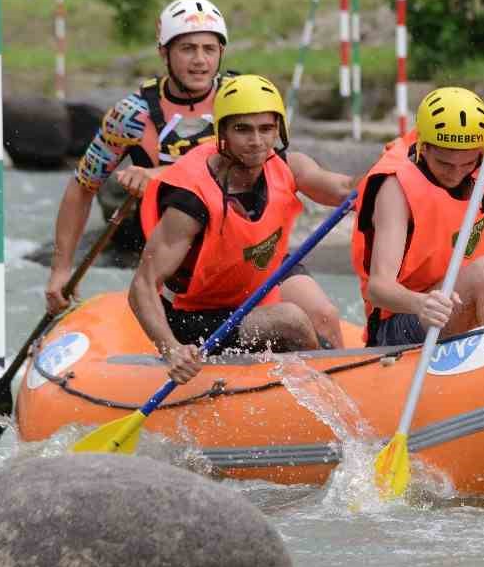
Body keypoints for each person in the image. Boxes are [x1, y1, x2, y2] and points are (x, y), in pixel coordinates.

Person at [129, 74, 356, 383]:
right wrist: (171, 350)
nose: (257, 141)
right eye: (242, 130)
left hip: (255, 280)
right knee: (291, 321)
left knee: (324, 315)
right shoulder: (191, 200)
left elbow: (346, 190)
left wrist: (390, 167)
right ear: (222, 132)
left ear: (279, 129)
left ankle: (344, 386)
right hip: (195, 314)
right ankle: (316, 388)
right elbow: (142, 286)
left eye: (266, 129)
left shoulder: (289, 164)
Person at [44, 0, 231, 315]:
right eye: (187, 49)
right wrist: (61, 269)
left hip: (238, 249)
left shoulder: (240, 99)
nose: (200, 60)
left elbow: (268, 167)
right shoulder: (131, 115)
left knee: (321, 312)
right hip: (172, 258)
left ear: (220, 53)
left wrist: (160, 174)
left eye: (209, 49)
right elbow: (82, 186)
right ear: (164, 53)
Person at [350, 52, 484, 346]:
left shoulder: (476, 154)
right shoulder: (395, 187)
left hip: (451, 302)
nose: (457, 173)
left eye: (468, 164)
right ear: (423, 147)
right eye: (446, 164)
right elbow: (378, 287)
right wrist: (420, 303)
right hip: (400, 323)